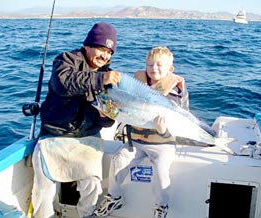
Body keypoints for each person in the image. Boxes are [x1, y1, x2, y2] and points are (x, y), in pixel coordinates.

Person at [31, 22, 121, 218]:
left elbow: (107, 118)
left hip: (87, 137)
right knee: (44, 189)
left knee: (92, 184)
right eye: (100, 48)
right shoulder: (66, 60)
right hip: (54, 134)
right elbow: (63, 83)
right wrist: (99, 80)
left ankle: (86, 215)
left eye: (109, 52)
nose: (104, 56)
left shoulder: (109, 77)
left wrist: (107, 118)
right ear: (88, 45)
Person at [94, 46, 189, 218]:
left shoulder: (175, 92)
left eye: (159, 65)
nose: (154, 68)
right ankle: (114, 197)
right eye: (150, 65)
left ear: (170, 69)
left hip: (163, 144)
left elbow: (177, 124)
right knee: (118, 160)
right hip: (136, 141)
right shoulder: (136, 85)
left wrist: (164, 130)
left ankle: (162, 206)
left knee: (161, 172)